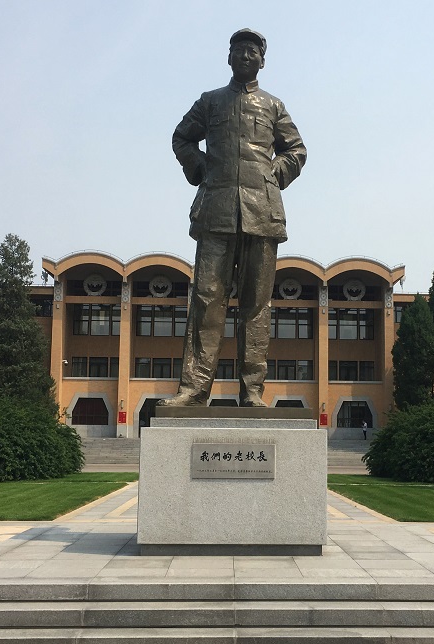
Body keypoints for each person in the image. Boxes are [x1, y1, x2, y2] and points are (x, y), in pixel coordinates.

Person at [159, 29, 307, 408]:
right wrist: (201, 168)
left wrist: (275, 173)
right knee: (207, 300)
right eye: (238, 50)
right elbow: (181, 138)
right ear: (228, 58)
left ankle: (253, 391)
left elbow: (297, 150)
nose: (245, 56)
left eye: (252, 51)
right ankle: (193, 388)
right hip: (217, 212)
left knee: (256, 305)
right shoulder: (210, 102)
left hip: (262, 214)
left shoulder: (273, 106)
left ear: (262, 60)